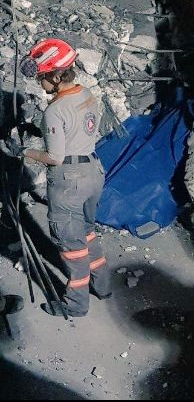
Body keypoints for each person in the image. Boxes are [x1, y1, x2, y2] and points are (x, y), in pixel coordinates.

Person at [10, 39, 111, 317]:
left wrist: (24, 151)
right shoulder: (87, 94)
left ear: (56, 75)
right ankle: (103, 286)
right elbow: (77, 130)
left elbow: (54, 157)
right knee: (88, 231)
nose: (40, 83)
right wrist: (42, 130)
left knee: (71, 247)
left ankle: (75, 305)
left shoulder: (54, 110)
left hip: (70, 181)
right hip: (93, 171)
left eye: (42, 77)